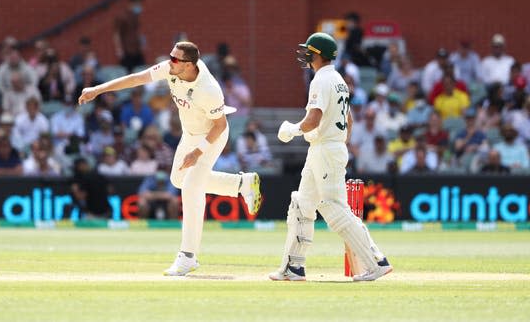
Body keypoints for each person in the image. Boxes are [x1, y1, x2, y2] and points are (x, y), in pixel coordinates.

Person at [78, 40, 262, 276]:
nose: (169, 61)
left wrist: (198, 152)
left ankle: (188, 257)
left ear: (188, 65)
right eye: (170, 56)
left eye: (175, 59)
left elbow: (220, 125)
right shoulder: (170, 68)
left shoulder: (209, 89)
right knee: (178, 180)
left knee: (191, 187)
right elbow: (137, 78)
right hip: (190, 134)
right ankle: (242, 184)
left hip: (211, 136)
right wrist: (97, 89)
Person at [269, 32, 391, 282]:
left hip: (325, 149)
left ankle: (376, 261)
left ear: (318, 54)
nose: (305, 55)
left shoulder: (321, 80)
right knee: (302, 204)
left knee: (334, 208)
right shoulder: (339, 80)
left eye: (309, 51)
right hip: (324, 149)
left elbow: (313, 118)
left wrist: (292, 130)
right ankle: (294, 267)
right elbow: (349, 120)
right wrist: (337, 144)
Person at [113, 0, 146, 74]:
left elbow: (136, 32)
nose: (140, 7)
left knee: (142, 71)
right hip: (127, 50)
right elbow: (116, 34)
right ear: (132, 3)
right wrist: (119, 49)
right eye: (138, 4)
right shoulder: (122, 16)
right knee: (129, 73)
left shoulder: (135, 16)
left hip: (136, 49)